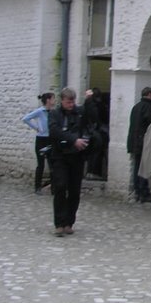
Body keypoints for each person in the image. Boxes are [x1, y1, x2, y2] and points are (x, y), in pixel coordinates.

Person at [47, 87, 90, 236]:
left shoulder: (79, 113)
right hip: (60, 156)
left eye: (72, 102)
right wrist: (73, 140)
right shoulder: (54, 114)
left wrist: (89, 101)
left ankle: (69, 222)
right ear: (62, 101)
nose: (71, 105)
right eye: (68, 102)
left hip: (76, 157)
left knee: (74, 191)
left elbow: (91, 119)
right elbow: (54, 131)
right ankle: (59, 223)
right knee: (60, 186)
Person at [126, 86, 151, 203]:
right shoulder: (148, 107)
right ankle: (143, 192)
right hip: (143, 142)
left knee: (137, 167)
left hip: (134, 141)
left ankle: (138, 191)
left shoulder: (136, 107)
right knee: (143, 168)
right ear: (149, 94)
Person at [21, 92, 54, 194]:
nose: (54, 100)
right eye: (53, 98)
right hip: (41, 139)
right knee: (41, 164)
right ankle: (37, 186)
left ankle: (53, 187)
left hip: (50, 139)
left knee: (52, 163)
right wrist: (36, 128)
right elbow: (26, 119)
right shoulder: (40, 111)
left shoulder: (53, 112)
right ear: (48, 100)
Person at [82, 87, 108, 180]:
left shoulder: (87, 104)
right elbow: (97, 118)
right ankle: (93, 172)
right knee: (96, 152)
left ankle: (90, 172)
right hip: (95, 132)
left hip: (89, 131)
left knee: (91, 153)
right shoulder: (96, 105)